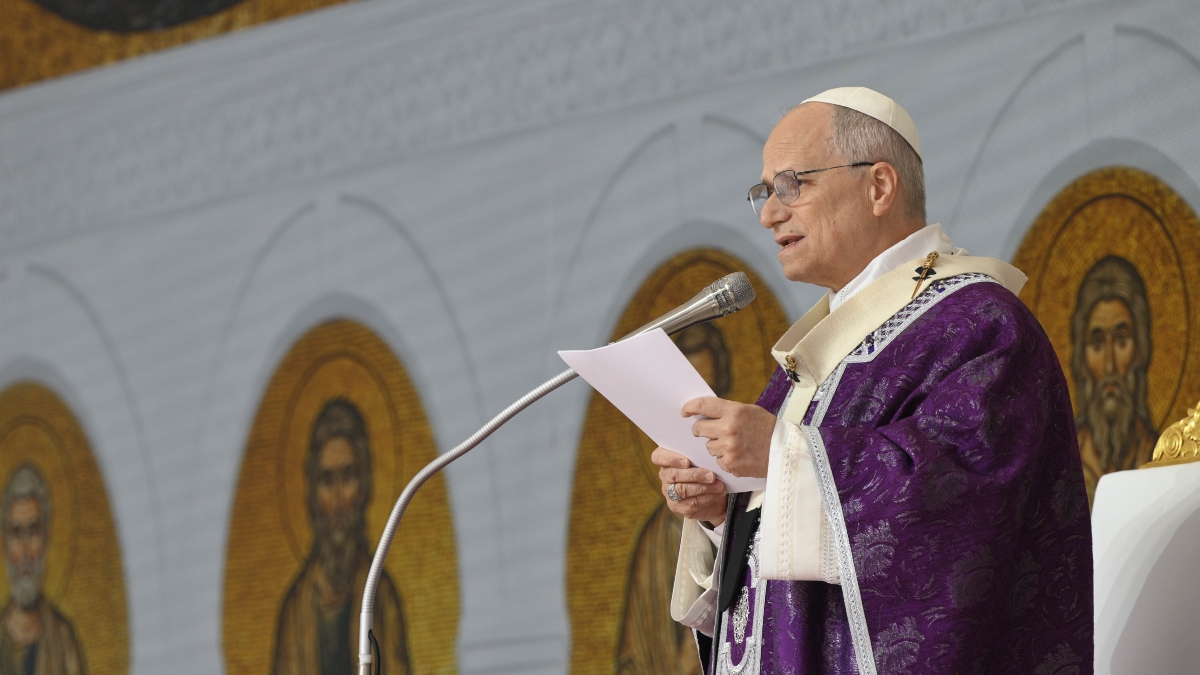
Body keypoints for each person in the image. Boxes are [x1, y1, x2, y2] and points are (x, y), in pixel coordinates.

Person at [653, 87, 1092, 674]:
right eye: (763, 191)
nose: (768, 213)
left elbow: (959, 513)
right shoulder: (808, 368)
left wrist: (782, 456)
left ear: (879, 186)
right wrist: (722, 511)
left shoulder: (980, 326)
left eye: (792, 185)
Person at [617, 324, 730, 675]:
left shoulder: (753, 496)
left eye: (706, 406)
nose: (697, 423)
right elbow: (632, 656)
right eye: (686, 411)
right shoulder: (654, 538)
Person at [273, 398, 410, 675]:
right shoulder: (295, 609)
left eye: (347, 477)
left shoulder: (381, 597)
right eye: (326, 480)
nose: (337, 499)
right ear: (312, 495)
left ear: (363, 488)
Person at [1071, 255, 1157, 503]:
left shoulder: (1163, 456)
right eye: (1097, 343)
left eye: (1121, 340)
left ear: (1140, 349)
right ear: (1081, 358)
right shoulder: (1062, 464)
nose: (1109, 365)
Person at [0, 464, 84, 675]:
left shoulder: (64, 641)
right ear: (4, 543)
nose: (26, 552)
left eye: (33, 531)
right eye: (16, 534)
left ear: (46, 538)